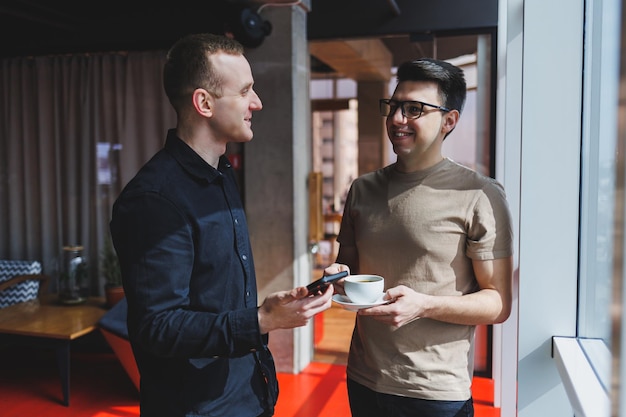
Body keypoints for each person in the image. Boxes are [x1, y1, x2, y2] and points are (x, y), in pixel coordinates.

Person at [109, 33, 333, 417]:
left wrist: (265, 311)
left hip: (247, 392)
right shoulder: (153, 199)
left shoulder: (222, 174)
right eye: (245, 90)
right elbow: (157, 326)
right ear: (204, 103)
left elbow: (217, 297)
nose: (257, 102)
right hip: (196, 406)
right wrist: (261, 320)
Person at [328, 58, 514, 417]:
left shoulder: (481, 194)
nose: (398, 119)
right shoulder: (362, 189)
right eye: (395, 106)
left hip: (436, 391)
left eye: (415, 109)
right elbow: (349, 271)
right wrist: (333, 278)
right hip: (364, 379)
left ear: (449, 121)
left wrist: (423, 304)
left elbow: (498, 303)